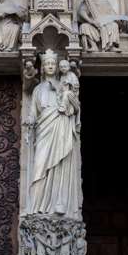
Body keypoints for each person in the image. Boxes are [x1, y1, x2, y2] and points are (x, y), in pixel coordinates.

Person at [26, 50, 82, 219]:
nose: (50, 66)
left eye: (52, 64)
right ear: (43, 67)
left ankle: (57, 204)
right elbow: (33, 111)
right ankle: (36, 206)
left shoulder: (64, 85)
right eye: (47, 64)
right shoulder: (37, 89)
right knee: (39, 165)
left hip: (61, 124)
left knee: (59, 163)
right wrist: (30, 120)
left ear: (57, 67)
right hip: (44, 128)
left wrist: (65, 96)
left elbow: (74, 105)